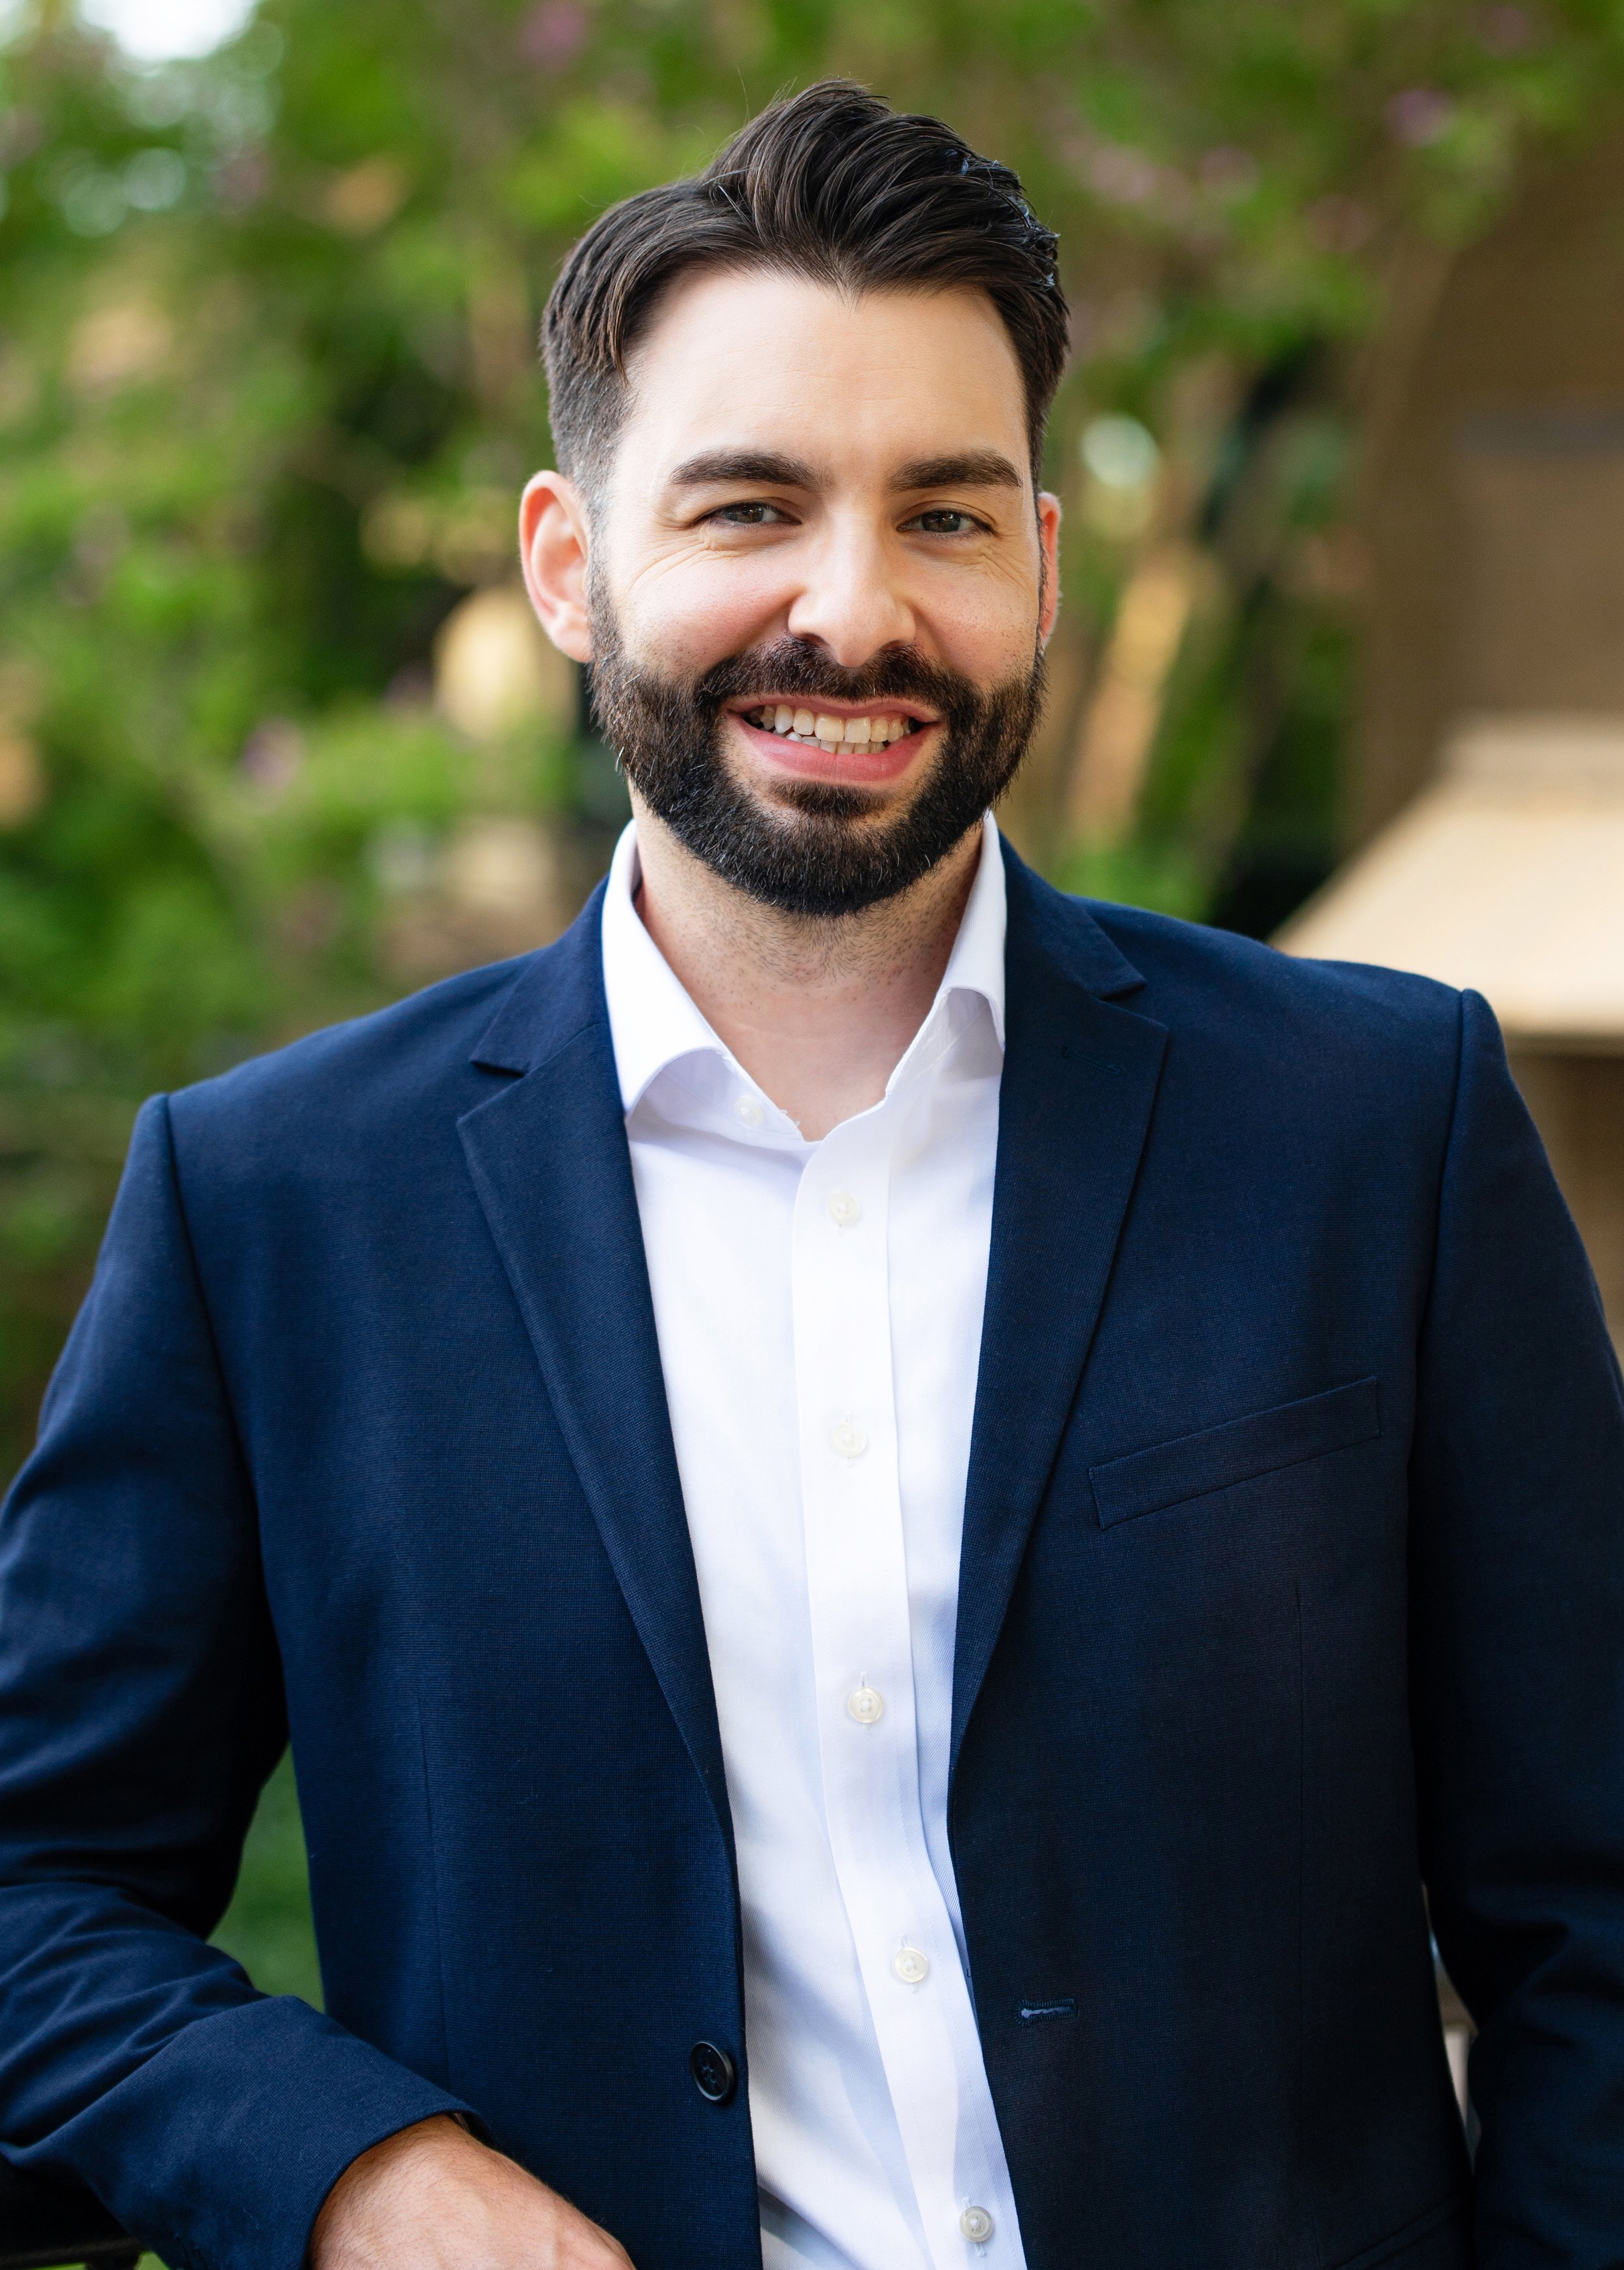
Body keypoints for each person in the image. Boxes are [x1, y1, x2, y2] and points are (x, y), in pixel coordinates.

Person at [1, 77, 1621, 2270]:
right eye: (747, 507)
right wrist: (357, 2175)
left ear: (1041, 566)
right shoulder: (272, 1205)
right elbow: (35, 1894)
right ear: (569, 568)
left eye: (943, 516)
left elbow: (1594, 1907)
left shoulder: (1375, 1122)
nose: (850, 614)